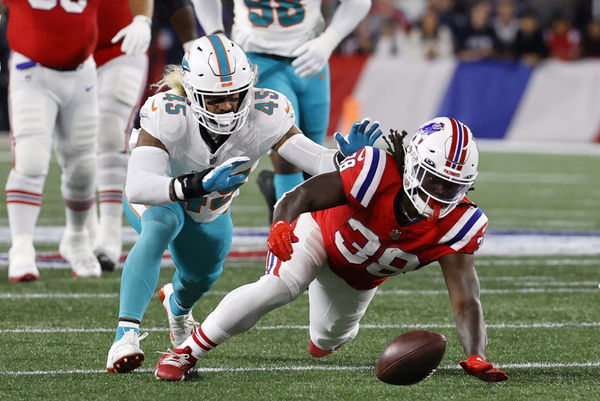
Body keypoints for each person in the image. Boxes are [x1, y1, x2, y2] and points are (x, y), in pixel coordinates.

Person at [154, 117, 509, 384]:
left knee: (325, 341)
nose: (440, 193)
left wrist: (477, 355)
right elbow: (301, 196)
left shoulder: (459, 224)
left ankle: (325, 335)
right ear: (414, 165)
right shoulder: (376, 170)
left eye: (452, 187)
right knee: (279, 286)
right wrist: (281, 222)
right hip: (319, 234)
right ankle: (186, 352)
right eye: (434, 180)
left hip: (357, 279)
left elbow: (466, 299)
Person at [105, 34, 382, 373]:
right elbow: (138, 186)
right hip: (163, 195)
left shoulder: (264, 113)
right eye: (216, 99)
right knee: (162, 224)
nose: (228, 107)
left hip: (211, 211)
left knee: (201, 277)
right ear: (191, 93)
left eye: (235, 96)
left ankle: (176, 307)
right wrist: (198, 184)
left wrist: (346, 158)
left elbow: (314, 160)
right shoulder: (168, 112)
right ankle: (125, 335)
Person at [191, 0, 373, 222]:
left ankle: (304, 220)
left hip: (310, 57)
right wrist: (216, 33)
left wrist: (328, 40)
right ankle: (290, 233)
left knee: (316, 156)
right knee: (288, 152)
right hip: (259, 59)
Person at [2, 0, 102, 281]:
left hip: (82, 72)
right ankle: (21, 247)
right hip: (31, 70)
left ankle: (77, 239)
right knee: (31, 160)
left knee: (84, 167)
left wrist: (142, 21)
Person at [90, 0, 153, 272]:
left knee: (110, 132)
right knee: (71, 144)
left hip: (122, 44)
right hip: (60, 48)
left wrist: (143, 20)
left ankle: (109, 234)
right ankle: (81, 232)